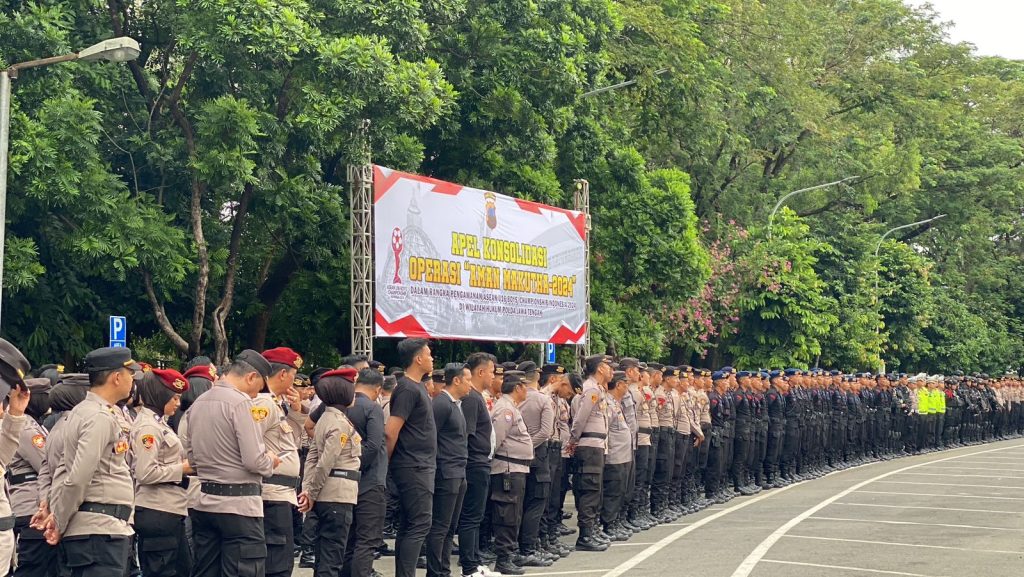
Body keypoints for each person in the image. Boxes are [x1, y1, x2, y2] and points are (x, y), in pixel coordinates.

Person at [41, 346, 137, 575]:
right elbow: (78, 477)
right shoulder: (98, 417)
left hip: (97, 529)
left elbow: (63, 470)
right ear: (116, 377)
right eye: (130, 374)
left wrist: (56, 512)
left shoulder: (83, 412)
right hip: (100, 532)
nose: (132, 380)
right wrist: (59, 521)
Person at [184, 349, 281, 577]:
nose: (257, 395)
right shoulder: (240, 403)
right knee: (244, 570)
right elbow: (254, 460)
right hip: (239, 506)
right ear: (251, 377)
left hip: (205, 502)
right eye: (258, 388)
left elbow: (192, 459)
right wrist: (271, 461)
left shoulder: (198, 403)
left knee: (206, 571)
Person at [131, 368, 192, 577]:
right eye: (174, 397)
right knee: (162, 571)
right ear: (160, 395)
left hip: (168, 509)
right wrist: (182, 468)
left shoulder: (158, 423)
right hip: (156, 510)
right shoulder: (148, 427)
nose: (177, 403)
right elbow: (145, 472)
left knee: (181, 569)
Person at [299, 368, 361, 577]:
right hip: (338, 495)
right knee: (332, 559)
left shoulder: (325, 419)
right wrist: (311, 493)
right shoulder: (339, 423)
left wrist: (308, 491)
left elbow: (312, 459)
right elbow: (325, 463)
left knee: (323, 555)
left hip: (326, 494)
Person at [384, 339, 437, 577]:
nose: (432, 358)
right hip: (412, 466)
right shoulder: (406, 388)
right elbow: (391, 431)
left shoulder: (417, 387)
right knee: (420, 523)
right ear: (418, 359)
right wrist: (387, 465)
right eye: (428, 354)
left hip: (420, 465)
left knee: (411, 523)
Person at [256, 347, 305, 577]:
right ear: (283, 374)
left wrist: (295, 412)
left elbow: (290, 442)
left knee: (282, 558)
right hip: (271, 493)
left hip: (282, 492)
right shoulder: (263, 404)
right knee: (277, 563)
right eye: (294, 375)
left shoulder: (275, 404)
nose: (295, 382)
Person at [341, 368, 387, 577]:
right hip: (370, 481)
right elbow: (374, 444)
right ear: (378, 389)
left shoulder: (341, 405)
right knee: (367, 540)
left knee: (349, 539)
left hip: (345, 480)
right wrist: (357, 464)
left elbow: (310, 425)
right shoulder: (372, 408)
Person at [426, 363, 470, 577]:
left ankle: (443, 569)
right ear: (457, 380)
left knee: (450, 526)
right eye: (467, 379)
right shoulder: (441, 403)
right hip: (446, 472)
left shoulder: (455, 404)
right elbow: (431, 438)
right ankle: (436, 571)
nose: (470, 384)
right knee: (440, 526)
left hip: (458, 471)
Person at [10, 377, 56, 577]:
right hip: (31, 508)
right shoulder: (27, 429)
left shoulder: (32, 425)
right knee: (33, 568)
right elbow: (46, 464)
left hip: (28, 507)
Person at [457, 353, 498, 577]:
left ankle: (474, 561)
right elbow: (468, 434)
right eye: (491, 371)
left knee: (476, 516)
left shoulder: (477, 396)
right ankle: (469, 566)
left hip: (481, 462)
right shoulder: (471, 398)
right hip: (474, 463)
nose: (493, 376)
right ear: (480, 372)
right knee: (471, 516)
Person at [489, 371, 533, 575]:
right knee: (506, 514)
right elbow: (495, 441)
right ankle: (503, 558)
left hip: (516, 468)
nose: (527, 390)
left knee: (513, 514)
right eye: (524, 386)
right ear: (517, 388)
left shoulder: (511, 407)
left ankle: (509, 553)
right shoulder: (505, 410)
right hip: (507, 469)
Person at [568, 355, 611, 552]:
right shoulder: (591, 389)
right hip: (589, 445)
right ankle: (585, 535)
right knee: (590, 490)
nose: (611, 370)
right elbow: (580, 418)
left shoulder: (598, 389)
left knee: (595, 490)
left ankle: (591, 530)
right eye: (608, 366)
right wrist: (573, 440)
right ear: (600, 369)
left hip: (597, 445)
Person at [513, 361, 554, 567]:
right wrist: (529, 445)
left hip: (518, 456)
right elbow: (546, 431)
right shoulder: (541, 399)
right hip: (538, 455)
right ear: (537, 376)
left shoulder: (514, 399)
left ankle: (526, 545)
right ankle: (528, 547)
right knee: (536, 503)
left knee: (521, 503)